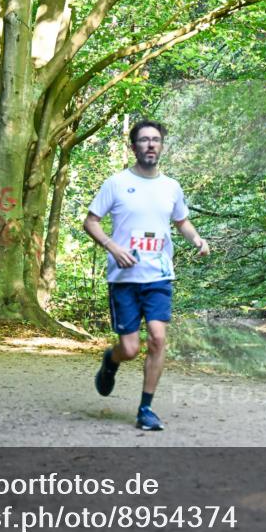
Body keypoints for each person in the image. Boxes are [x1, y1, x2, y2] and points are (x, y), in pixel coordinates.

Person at [83, 120, 209, 431]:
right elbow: (91, 222)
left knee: (157, 338)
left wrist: (197, 239)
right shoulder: (116, 183)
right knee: (129, 349)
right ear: (133, 147)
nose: (150, 144)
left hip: (158, 276)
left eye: (155, 140)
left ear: (161, 146)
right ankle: (111, 360)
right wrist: (113, 247)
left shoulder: (171, 187)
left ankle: (145, 408)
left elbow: (181, 222)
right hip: (124, 278)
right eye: (144, 140)